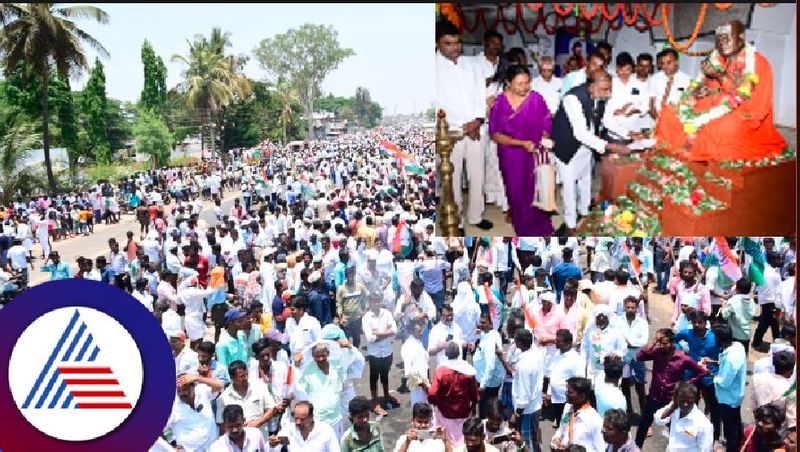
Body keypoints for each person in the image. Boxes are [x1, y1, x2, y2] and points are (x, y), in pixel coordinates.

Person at [654, 21, 787, 161]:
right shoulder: (715, 60)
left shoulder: (757, 63)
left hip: (741, 114)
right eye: (719, 39)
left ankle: (703, 157)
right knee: (669, 113)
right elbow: (708, 91)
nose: (722, 42)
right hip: (711, 108)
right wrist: (699, 94)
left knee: (721, 127)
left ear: (741, 37)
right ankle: (671, 152)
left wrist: (720, 76)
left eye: (727, 37)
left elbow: (751, 103)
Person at [551, 69, 630, 235]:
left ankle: (585, 212)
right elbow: (580, 133)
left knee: (586, 180)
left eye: (609, 89)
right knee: (570, 187)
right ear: (591, 85)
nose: (607, 93)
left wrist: (627, 135)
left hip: (586, 146)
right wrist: (609, 146)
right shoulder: (572, 98)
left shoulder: (599, 96)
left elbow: (605, 121)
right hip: (567, 147)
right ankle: (570, 224)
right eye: (604, 89)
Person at [434, 19, 493, 231]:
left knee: (478, 175)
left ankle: (476, 216)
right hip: (451, 133)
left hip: (477, 129)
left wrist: (477, 120)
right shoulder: (432, 68)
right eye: (448, 43)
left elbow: (481, 93)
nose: (455, 47)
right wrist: (461, 125)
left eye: (457, 42)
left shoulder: (472, 64)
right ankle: (456, 219)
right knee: (453, 177)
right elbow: (439, 104)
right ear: (437, 44)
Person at [488, 64, 554, 236]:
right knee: (515, 190)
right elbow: (495, 134)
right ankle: (523, 226)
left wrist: (545, 135)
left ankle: (538, 221)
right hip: (511, 154)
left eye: (527, 83)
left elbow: (546, 120)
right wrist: (521, 143)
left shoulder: (536, 99)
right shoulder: (500, 103)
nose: (524, 87)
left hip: (534, 152)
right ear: (509, 82)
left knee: (534, 189)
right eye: (519, 83)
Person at [634, 328, 709, 448]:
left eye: (665, 343)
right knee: (643, 426)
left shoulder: (683, 359)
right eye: (661, 343)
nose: (662, 346)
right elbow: (639, 355)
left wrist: (686, 384)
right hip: (654, 397)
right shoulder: (657, 352)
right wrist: (654, 341)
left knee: (675, 429)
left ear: (673, 342)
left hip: (670, 401)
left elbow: (701, 372)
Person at [427, 342, 480, 448]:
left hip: (445, 412)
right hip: (463, 411)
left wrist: (437, 403)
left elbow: (432, 394)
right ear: (459, 353)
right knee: (461, 440)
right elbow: (474, 393)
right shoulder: (467, 369)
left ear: (446, 354)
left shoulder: (441, 371)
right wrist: (473, 407)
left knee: (446, 440)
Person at [215, 360, 276, 439]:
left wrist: (257, 423)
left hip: (260, 438)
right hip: (236, 443)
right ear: (232, 378)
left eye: (246, 374)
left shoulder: (259, 386)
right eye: (241, 376)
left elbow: (272, 408)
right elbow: (222, 425)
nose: (246, 378)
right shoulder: (223, 398)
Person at [361, 294, 398, 416]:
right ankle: (375, 402)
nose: (376, 304)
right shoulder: (366, 317)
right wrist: (387, 333)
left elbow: (395, 330)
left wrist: (378, 333)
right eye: (373, 302)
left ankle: (386, 395)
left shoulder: (386, 313)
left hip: (387, 350)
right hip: (375, 353)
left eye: (377, 301)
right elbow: (370, 338)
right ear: (370, 303)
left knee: (385, 374)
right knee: (374, 377)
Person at [510, 328, 544, 452]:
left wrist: (517, 414)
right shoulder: (537, 354)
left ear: (519, 343)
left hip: (526, 410)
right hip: (534, 405)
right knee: (533, 440)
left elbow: (524, 395)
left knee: (526, 443)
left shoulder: (524, 365)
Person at [652, 382, 713, 452]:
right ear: (676, 398)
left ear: (695, 399)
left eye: (689, 401)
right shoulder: (675, 409)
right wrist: (672, 407)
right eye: (682, 400)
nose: (685, 404)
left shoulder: (703, 424)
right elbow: (658, 420)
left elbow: (705, 449)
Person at [166, 373, 219, 451]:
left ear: (193, 386)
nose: (182, 393)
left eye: (184, 389)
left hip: (212, 448)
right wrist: (173, 445)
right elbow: (160, 430)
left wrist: (198, 378)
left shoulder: (202, 391)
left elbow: (219, 386)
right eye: (179, 390)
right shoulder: (172, 406)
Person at [550, 377, 605, 452]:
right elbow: (561, 430)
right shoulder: (568, 408)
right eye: (567, 391)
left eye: (570, 392)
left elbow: (601, 449)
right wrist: (556, 439)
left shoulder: (594, 420)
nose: (566, 394)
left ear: (582, 396)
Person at [270, 401, 340, 452]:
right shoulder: (289, 430)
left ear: (311, 417)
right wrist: (272, 444)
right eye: (296, 418)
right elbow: (274, 448)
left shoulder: (325, 431)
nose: (298, 422)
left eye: (302, 419)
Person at [752, 350, 796, 430]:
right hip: (778, 431)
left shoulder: (757, 379)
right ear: (791, 370)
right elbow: (791, 419)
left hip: (759, 426)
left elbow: (754, 405)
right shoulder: (790, 390)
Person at [474, 312, 505, 418]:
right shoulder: (491, 333)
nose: (480, 324)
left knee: (485, 411)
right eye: (480, 322)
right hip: (489, 381)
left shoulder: (491, 341)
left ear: (491, 324)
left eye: (484, 323)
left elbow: (490, 365)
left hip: (487, 383)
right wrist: (481, 332)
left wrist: (483, 385)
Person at [719, 276, 756, 355]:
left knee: (733, 355)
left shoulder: (733, 301)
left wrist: (723, 305)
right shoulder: (751, 301)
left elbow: (724, 315)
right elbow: (752, 314)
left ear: (737, 289)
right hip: (746, 335)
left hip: (735, 335)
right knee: (743, 355)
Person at [401, 319, 431, 406]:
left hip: (424, 382)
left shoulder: (418, 342)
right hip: (417, 386)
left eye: (421, 330)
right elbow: (409, 372)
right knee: (419, 411)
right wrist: (424, 386)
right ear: (411, 331)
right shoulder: (409, 346)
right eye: (419, 331)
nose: (421, 333)